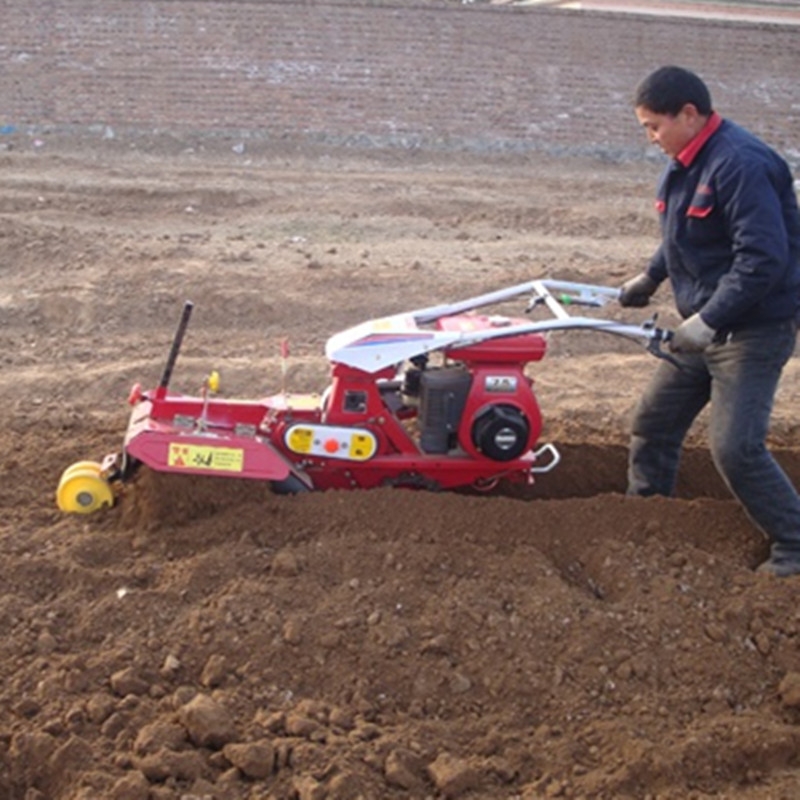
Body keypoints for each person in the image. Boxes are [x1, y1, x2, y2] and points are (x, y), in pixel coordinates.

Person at [619, 65, 800, 577]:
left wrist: (708, 320)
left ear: (690, 114)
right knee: (653, 423)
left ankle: (794, 544)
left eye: (654, 126)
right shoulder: (685, 159)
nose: (651, 138)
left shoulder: (740, 163)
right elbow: (685, 232)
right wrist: (650, 277)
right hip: (703, 323)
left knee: (736, 448)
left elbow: (763, 259)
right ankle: (648, 517)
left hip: (752, 329)